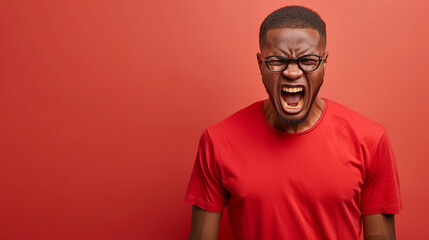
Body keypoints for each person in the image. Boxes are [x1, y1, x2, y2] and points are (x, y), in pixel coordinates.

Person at [185, 5, 402, 240]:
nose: (291, 72)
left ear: (324, 63)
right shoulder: (218, 141)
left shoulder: (370, 140)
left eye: (308, 60)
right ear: (260, 64)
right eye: (277, 60)